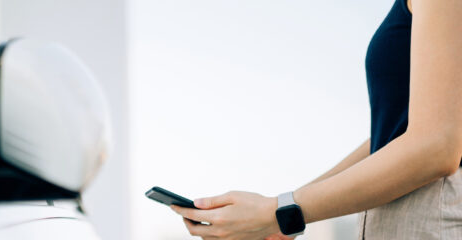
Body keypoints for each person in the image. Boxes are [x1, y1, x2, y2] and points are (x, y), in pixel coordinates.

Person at [171, 0, 462, 239]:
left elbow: (437, 145)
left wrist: (280, 211)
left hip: (434, 218)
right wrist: (281, 213)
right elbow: (393, 132)